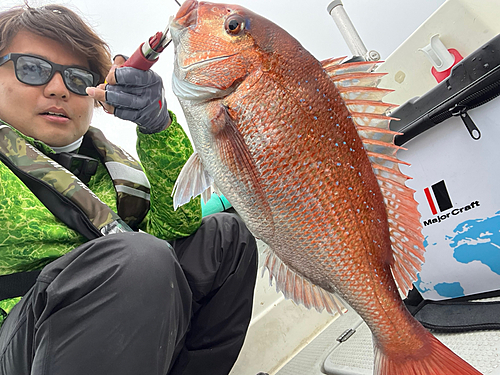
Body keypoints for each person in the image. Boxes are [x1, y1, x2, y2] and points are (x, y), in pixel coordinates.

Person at [0, 3, 258, 375]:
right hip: (20, 342)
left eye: (76, 78)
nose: (58, 89)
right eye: (32, 69)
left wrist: (157, 128)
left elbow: (176, 227)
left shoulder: (108, 167)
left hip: (119, 327)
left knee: (225, 238)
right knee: (137, 257)